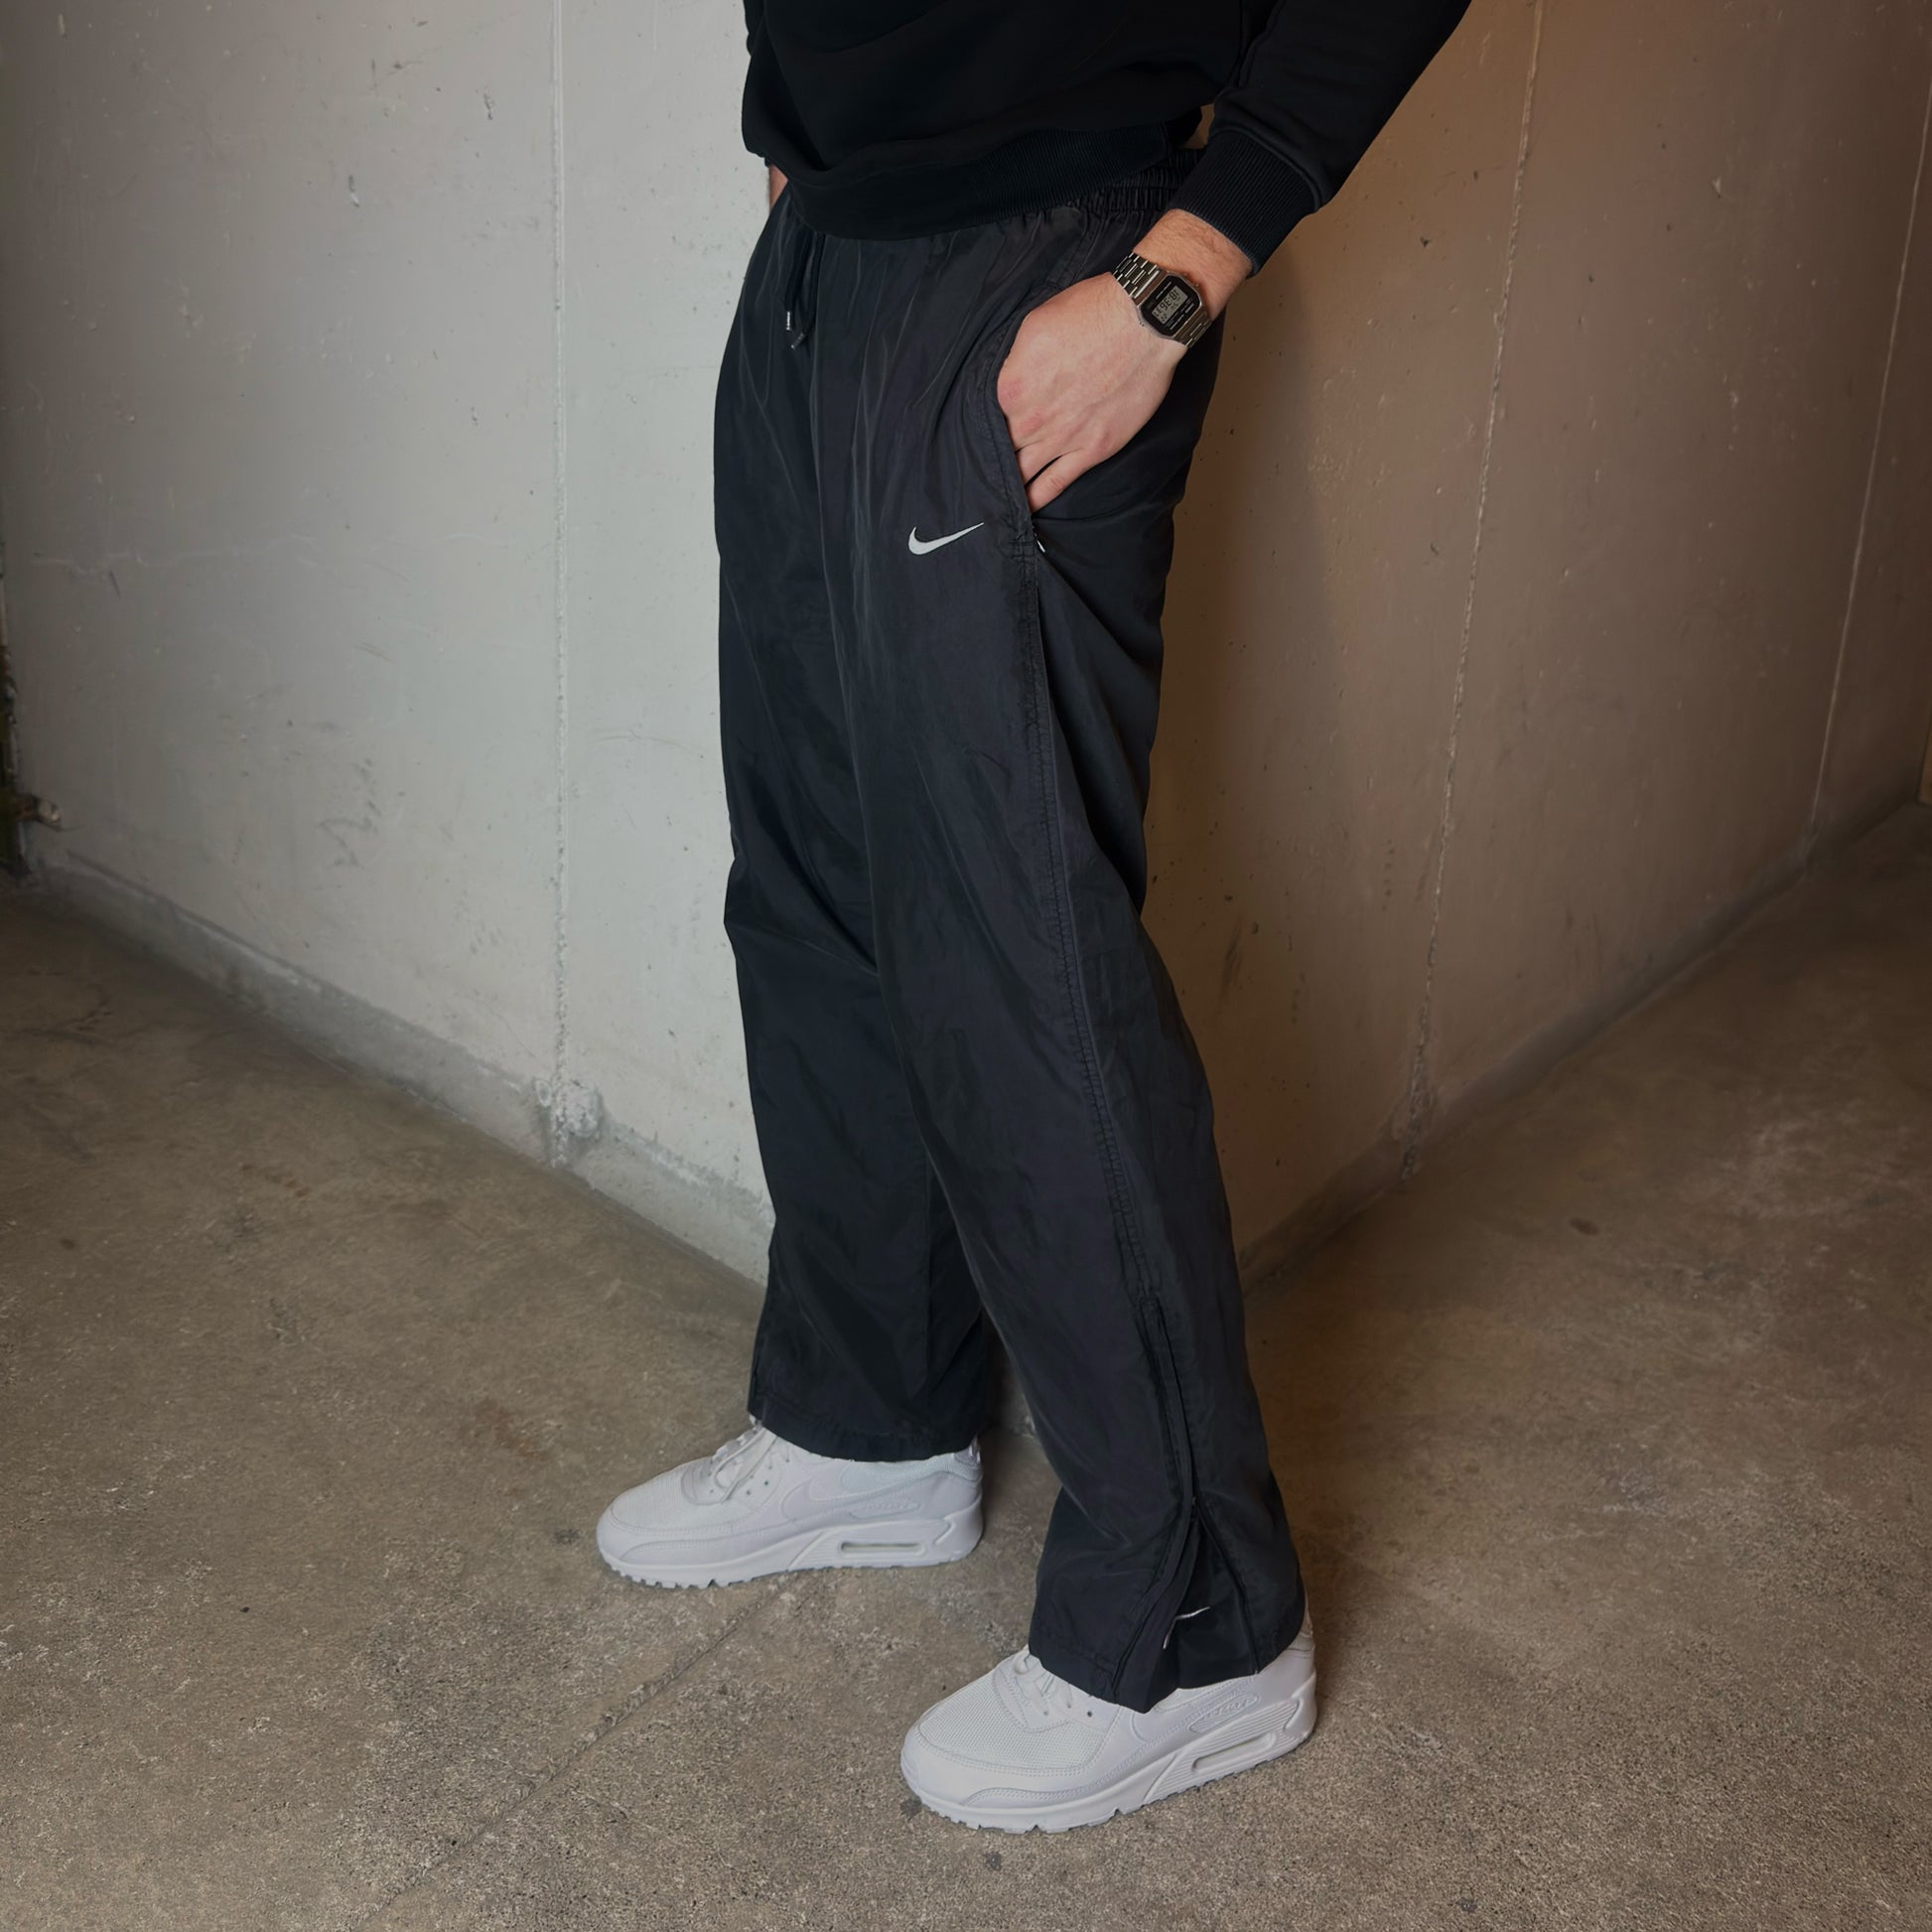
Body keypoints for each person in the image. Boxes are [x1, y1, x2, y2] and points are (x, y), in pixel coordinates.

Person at [598, 0, 1471, 1833]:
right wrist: (795, 120)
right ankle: (869, 1420)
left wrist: (1176, 275)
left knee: (1019, 961)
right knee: (818, 885)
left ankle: (1199, 1620)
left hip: (1044, 265)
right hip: (825, 247)